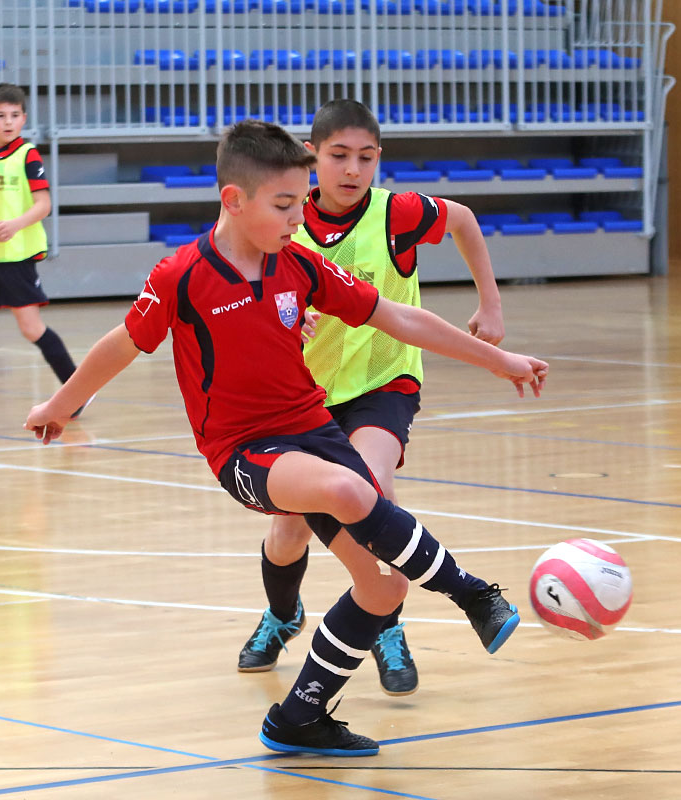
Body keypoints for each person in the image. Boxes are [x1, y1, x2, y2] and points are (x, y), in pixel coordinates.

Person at [25, 120, 546, 756]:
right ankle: (471, 593)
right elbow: (123, 343)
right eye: (284, 205)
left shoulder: (299, 262)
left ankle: (298, 718)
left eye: (302, 202)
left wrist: (499, 360)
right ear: (233, 199)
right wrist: (60, 405)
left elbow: (398, 316)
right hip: (243, 451)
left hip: (313, 430)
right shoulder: (182, 274)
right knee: (346, 489)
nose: (299, 217)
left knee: (383, 588)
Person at [235, 99, 506, 697]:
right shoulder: (283, 217)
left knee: (372, 490)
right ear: (312, 156)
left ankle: (388, 624)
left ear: (379, 158)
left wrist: (489, 301)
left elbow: (463, 219)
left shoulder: (398, 213)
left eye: (365, 157)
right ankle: (282, 614)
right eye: (339, 156)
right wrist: (280, 319)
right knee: (289, 530)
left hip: (384, 382)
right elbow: (250, 287)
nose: (352, 169)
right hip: (301, 395)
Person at [0, 83, 89, 415]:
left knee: (31, 328)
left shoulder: (28, 155)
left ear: (23, 119)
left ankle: (76, 390)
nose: (8, 121)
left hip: (15, 257)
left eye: (14, 115)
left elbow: (43, 204)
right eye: (1, 115)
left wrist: (15, 225)